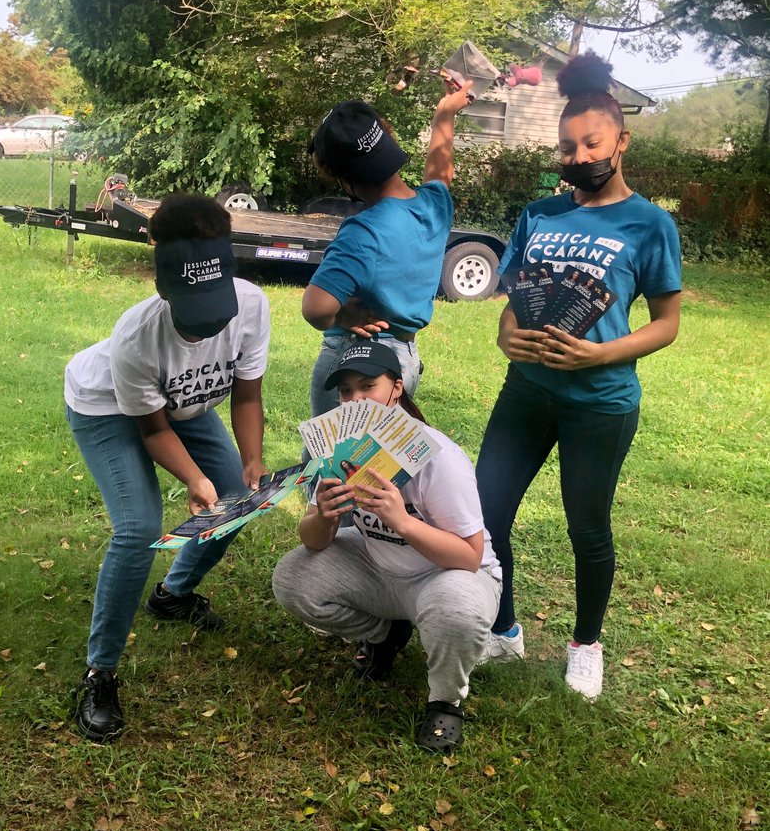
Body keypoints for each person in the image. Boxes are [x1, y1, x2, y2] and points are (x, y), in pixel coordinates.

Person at [474, 52, 682, 699]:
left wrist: (597, 356)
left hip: (601, 400)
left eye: (591, 143)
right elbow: (513, 307)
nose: (578, 155)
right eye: (567, 147)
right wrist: (509, 338)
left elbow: (666, 322)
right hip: (528, 393)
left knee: (586, 528)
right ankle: (503, 628)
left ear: (620, 141)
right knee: (486, 515)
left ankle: (586, 645)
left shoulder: (649, 224)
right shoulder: (538, 215)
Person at [64, 194, 270, 742]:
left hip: (187, 402)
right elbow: (154, 430)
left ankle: (173, 595)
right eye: (192, 319)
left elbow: (247, 395)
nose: (205, 332)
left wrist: (250, 461)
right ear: (163, 289)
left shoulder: (251, 304)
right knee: (137, 529)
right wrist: (194, 480)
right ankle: (100, 672)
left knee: (237, 500)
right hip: (109, 405)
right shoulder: (136, 335)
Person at [273, 341, 502, 752]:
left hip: (450, 573)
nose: (355, 400)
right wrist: (323, 514)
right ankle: (385, 634)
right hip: (380, 569)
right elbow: (311, 539)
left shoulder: (438, 457)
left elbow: (469, 556)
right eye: (346, 392)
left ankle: (444, 702)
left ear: (396, 388)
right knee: (293, 577)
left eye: (368, 386)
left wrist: (402, 521)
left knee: (457, 610)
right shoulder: (339, 451)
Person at [301, 81, 471, 417]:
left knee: (330, 462)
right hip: (403, 360)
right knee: (380, 465)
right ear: (388, 141)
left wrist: (345, 315)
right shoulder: (436, 205)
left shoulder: (363, 232)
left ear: (342, 177)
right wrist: (444, 114)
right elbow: (440, 169)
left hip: (355, 361)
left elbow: (315, 308)